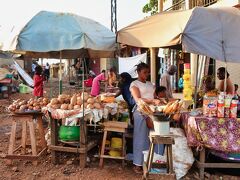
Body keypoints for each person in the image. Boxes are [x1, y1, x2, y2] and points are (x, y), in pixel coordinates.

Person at [130, 62, 164, 173]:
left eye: (148, 72)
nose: (147, 74)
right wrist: (152, 100)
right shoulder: (134, 84)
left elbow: (154, 97)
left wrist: (159, 100)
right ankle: (138, 164)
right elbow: (137, 99)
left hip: (152, 111)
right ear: (138, 72)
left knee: (157, 134)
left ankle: (156, 162)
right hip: (141, 111)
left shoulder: (150, 84)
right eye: (144, 72)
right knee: (141, 137)